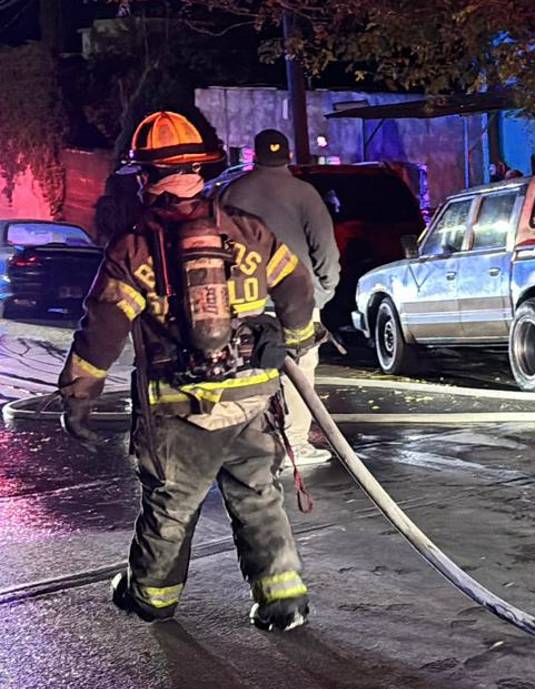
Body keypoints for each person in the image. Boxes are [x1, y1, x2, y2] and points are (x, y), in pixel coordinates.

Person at [57, 111, 319, 631]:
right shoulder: (249, 232)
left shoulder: (134, 248)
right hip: (253, 401)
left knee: (172, 504)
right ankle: (283, 600)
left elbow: (102, 328)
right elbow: (298, 290)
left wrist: (78, 397)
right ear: (203, 167)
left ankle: (152, 597)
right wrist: (293, 342)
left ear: (145, 176)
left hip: (180, 410)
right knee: (259, 496)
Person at [220, 129, 340, 465]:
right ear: (287, 155)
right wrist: (323, 292)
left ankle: (251, 442)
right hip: (298, 302)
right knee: (300, 370)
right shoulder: (305, 194)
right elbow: (325, 250)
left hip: (245, 304)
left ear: (254, 155)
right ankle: (296, 443)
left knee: (246, 371)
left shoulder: (232, 193)